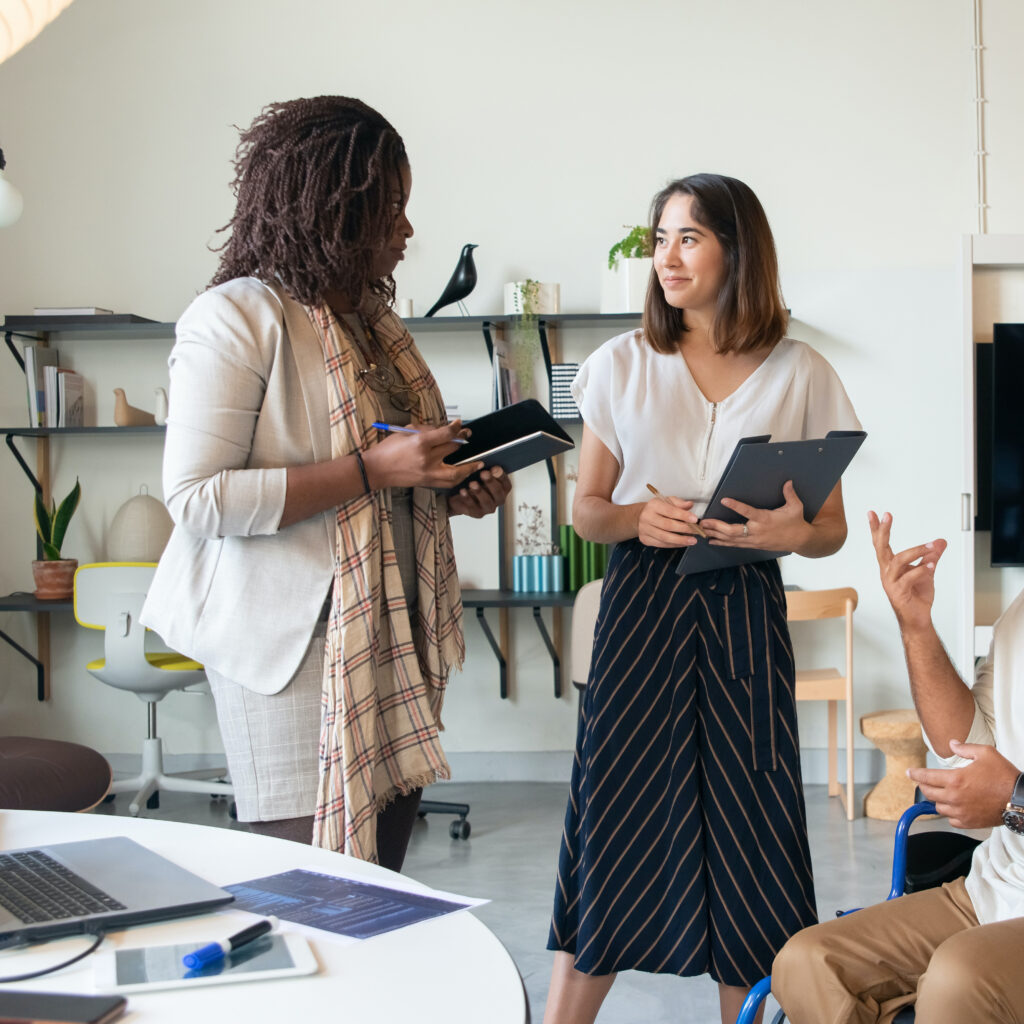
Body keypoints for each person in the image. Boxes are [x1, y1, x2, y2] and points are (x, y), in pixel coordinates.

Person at [140, 96, 510, 870]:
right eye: (392, 208)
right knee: (316, 894)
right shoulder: (236, 318)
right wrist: (372, 470)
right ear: (336, 210)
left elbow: (389, 474)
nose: (408, 230)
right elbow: (198, 499)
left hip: (392, 635)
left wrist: (448, 488)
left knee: (382, 886)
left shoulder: (377, 329)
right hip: (289, 648)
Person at [543, 173, 861, 1024]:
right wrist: (637, 518)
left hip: (745, 602)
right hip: (643, 603)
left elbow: (828, 528)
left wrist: (781, 533)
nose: (668, 257)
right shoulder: (617, 364)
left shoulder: (802, 371)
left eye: (690, 237)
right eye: (660, 239)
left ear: (736, 249)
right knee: (616, 812)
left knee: (752, 825)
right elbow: (587, 511)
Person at [771, 513, 1024, 1024]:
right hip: (996, 889)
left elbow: (1005, 793)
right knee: (806, 963)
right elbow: (962, 748)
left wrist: (1015, 798)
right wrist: (915, 625)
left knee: (957, 977)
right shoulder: (1020, 611)